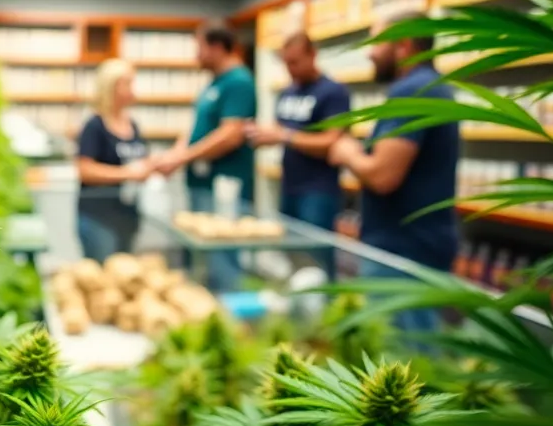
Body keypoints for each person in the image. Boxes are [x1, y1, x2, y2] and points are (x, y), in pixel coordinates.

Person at [328, 12, 460, 332]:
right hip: (414, 244)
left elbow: (383, 176)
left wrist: (347, 151)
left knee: (403, 358)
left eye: (376, 43)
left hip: (402, 250)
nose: (369, 53)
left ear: (403, 45)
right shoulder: (431, 87)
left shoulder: (413, 91)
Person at [155, 20, 256, 291]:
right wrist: (176, 154)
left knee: (222, 258)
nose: (196, 55)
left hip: (224, 189)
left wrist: (183, 158)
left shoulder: (239, 82)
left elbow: (231, 134)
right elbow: (195, 127)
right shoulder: (213, 84)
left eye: (199, 48)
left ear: (217, 47)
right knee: (200, 258)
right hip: (201, 185)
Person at [244, 32, 350, 279]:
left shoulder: (333, 92)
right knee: (292, 255)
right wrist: (263, 136)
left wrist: (284, 136)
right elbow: (284, 132)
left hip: (318, 190)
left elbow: (332, 141)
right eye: (286, 62)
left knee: (317, 260)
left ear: (313, 55)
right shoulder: (288, 92)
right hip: (289, 186)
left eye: (295, 62)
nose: (290, 69)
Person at [75, 59, 153, 261]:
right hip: (98, 217)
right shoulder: (94, 126)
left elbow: (141, 160)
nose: (132, 89)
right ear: (111, 86)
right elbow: (85, 170)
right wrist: (128, 173)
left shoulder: (133, 124)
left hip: (128, 215)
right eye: (127, 83)